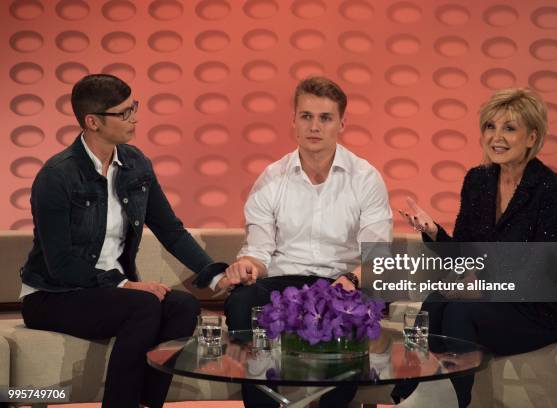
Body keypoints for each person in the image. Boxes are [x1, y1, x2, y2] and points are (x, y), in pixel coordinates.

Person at [19, 74, 221, 408]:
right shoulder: (56, 176)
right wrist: (124, 284)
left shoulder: (135, 164)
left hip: (110, 292)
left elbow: (171, 230)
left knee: (184, 306)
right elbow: (62, 265)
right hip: (53, 295)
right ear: (93, 121)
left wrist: (214, 274)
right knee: (142, 306)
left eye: (134, 108)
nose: (135, 118)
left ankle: (147, 403)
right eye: (124, 113)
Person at [212, 76, 393, 407]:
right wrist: (246, 266)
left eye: (325, 118)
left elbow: (377, 255)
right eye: (306, 116)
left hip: (343, 281)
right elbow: (258, 251)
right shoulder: (272, 178)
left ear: (341, 123)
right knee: (241, 302)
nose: (315, 126)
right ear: (293, 121)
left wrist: (351, 279)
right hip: (284, 281)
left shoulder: (365, 178)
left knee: (351, 311)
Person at [393, 87, 557, 407]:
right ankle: (412, 391)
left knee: (461, 311)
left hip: (536, 308)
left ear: (532, 137)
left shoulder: (551, 190)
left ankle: (454, 400)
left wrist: (480, 286)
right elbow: (464, 254)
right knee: (433, 302)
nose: (496, 137)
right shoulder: (478, 181)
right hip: (492, 297)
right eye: (490, 127)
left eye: (509, 128)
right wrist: (434, 231)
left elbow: (539, 268)